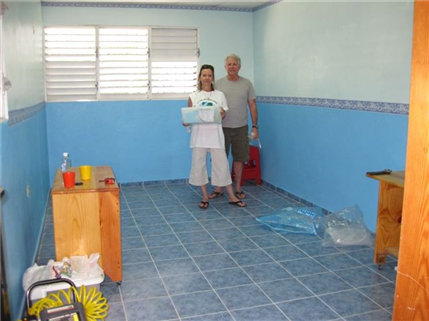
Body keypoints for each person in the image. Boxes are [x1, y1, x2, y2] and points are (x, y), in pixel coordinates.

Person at [185, 64, 246, 209]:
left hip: (216, 136)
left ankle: (231, 196)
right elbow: (188, 118)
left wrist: (222, 114)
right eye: (204, 75)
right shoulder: (193, 96)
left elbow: (222, 115)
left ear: (213, 78)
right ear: (200, 77)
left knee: (222, 165)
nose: (207, 78)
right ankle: (205, 196)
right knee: (199, 166)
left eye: (209, 75)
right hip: (199, 137)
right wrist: (185, 121)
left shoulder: (219, 95)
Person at [210, 54, 258, 200]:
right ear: (225, 67)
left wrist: (255, 126)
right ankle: (219, 187)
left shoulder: (247, 83)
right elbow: (210, 104)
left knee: (239, 158)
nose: (232, 67)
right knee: (220, 159)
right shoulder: (217, 84)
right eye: (229, 64)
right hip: (221, 128)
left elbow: (252, 105)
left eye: (234, 64)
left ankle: (237, 187)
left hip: (241, 127)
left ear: (239, 66)